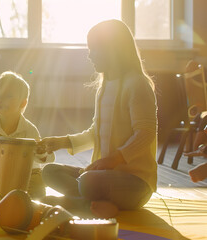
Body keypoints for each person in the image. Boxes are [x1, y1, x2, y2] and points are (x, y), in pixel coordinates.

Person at [39, 19, 158, 218]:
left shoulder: (137, 85)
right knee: (49, 172)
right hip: (102, 176)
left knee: (88, 182)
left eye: (95, 49)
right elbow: (95, 132)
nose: (89, 55)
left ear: (114, 49)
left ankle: (78, 202)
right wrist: (63, 142)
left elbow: (145, 134)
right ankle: (85, 202)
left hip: (135, 184)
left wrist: (113, 159)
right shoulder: (104, 88)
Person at [0, 71, 55, 199]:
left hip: (27, 174)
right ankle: (19, 191)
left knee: (42, 178)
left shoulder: (30, 129)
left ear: (23, 103)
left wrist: (41, 151)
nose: (1, 100)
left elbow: (49, 158)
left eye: (8, 96)